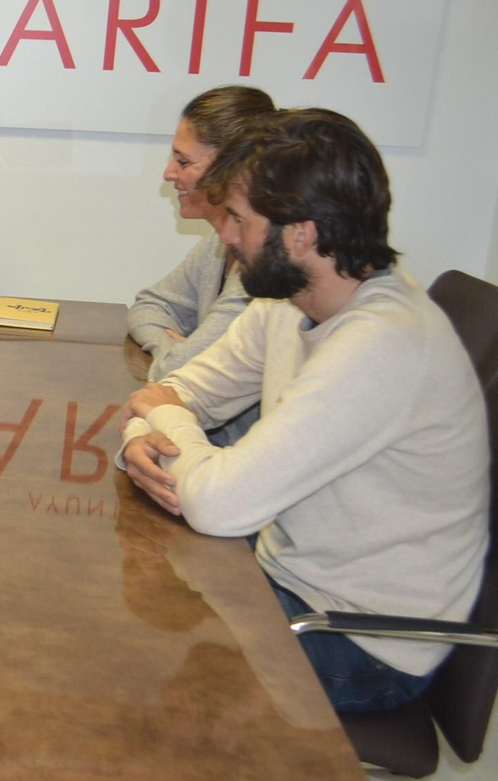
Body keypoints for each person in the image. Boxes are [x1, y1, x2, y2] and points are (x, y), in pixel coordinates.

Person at [119, 108, 489, 713]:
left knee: (127, 656)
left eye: (240, 220)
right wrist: (143, 431)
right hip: (282, 582)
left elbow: (216, 503)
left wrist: (162, 415)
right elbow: (175, 390)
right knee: (110, 610)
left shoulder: (382, 343)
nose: (226, 237)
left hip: (357, 642)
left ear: (301, 234)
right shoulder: (289, 303)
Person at [127, 85, 275, 444]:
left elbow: (174, 372)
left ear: (233, 168)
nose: (168, 173)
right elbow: (149, 305)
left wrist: (179, 355)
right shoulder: (217, 244)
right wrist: (179, 347)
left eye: (183, 161)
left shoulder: (265, 267)